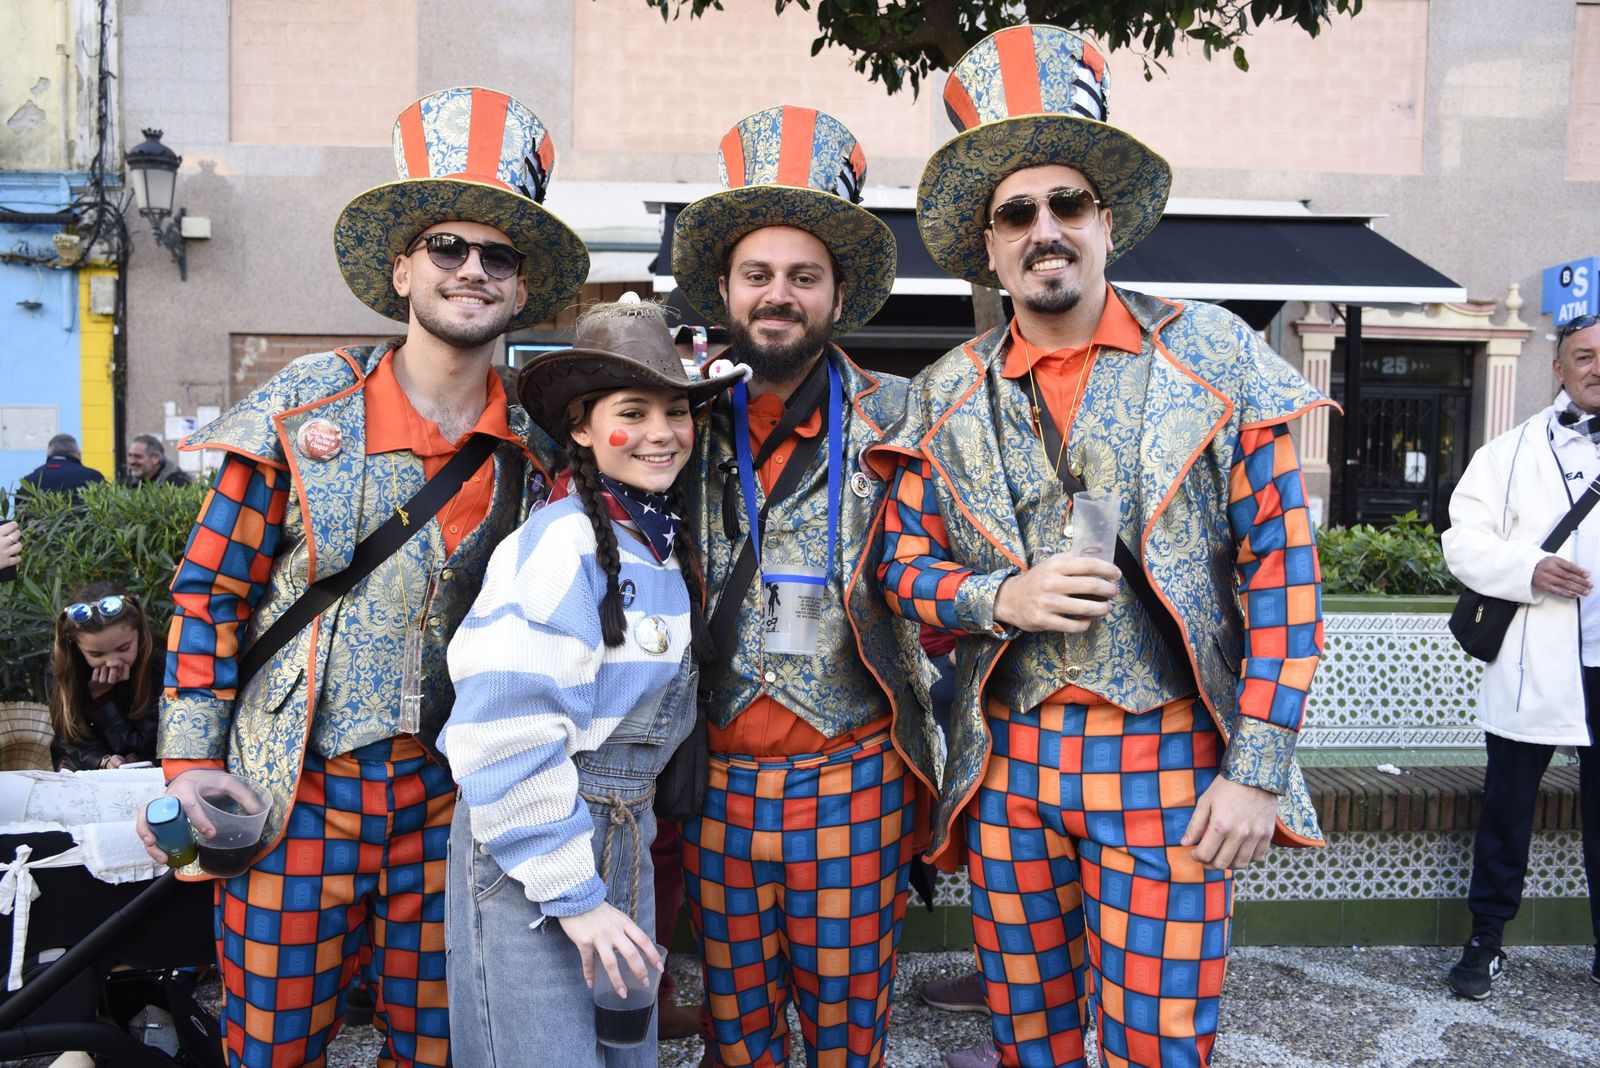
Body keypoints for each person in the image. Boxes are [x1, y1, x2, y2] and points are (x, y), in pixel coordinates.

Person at [870, 26, 1333, 1068]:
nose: (1044, 229)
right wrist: (998, 598)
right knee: (1026, 1034)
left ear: (1105, 221)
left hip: (1166, 754)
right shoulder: (946, 389)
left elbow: (1285, 582)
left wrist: (1255, 770)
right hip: (1009, 768)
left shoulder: (1214, 352)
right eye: (1015, 213)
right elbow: (899, 570)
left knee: (1158, 1041)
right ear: (986, 245)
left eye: (1065, 203)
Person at [134, 86, 588, 1067]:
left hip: (449, 808)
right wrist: (191, 766)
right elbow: (211, 592)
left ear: (519, 289)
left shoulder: (540, 444)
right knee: (274, 1045)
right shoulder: (305, 403)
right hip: (293, 797)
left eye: (496, 257)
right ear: (402, 268)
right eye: (447, 249)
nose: (471, 271)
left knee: (439, 1044)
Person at [671, 104, 934, 1067]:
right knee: (736, 1031)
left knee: (846, 1029)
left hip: (853, 778)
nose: (778, 294)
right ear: (729, 291)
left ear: (834, 295)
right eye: (758, 276)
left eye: (802, 277)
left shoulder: (906, 415)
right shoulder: (677, 420)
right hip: (717, 785)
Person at [441, 297, 745, 1066]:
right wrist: (577, 899)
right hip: (534, 848)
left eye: (674, 412)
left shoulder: (652, 542)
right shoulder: (560, 544)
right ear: (579, 426)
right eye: (631, 412)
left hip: (621, 837)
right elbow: (498, 733)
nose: (659, 434)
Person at [1440, 311, 1600, 999]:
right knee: (1507, 809)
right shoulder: (1508, 453)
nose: (1598, 366)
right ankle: (1486, 940)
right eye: (1585, 355)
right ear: (1559, 367)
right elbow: (1462, 539)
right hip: (1535, 661)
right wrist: (1528, 569)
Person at [48, 582, 160, 771]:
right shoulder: (65, 668)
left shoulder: (159, 661)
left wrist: (102, 701)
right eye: (97, 655)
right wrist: (102, 760)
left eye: (123, 648)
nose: (112, 662)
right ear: (76, 647)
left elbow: (154, 745)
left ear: (139, 632)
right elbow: (68, 740)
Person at [19, 433, 105, 496]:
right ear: (78, 454)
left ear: (48, 455)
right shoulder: (93, 477)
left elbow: (20, 517)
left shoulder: (29, 481)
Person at [123, 434, 193, 487]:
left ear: (155, 459)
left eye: (138, 457)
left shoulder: (177, 482)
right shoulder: (130, 479)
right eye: (130, 455)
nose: (131, 461)